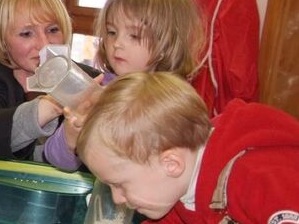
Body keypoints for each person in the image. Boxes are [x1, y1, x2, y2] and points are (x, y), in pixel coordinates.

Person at [77, 72, 299, 222]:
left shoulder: (255, 177)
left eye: (120, 185)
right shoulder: (179, 188)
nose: (117, 199)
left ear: (171, 164)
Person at [44, 0, 205, 171]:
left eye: (134, 35)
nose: (117, 43)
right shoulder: (101, 91)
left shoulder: (175, 102)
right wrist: (72, 135)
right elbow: (56, 160)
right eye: (112, 32)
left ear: (168, 43)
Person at [0, 0, 100, 161]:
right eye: (26, 34)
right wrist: (50, 106)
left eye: (53, 30)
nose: (44, 43)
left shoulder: (90, 80)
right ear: (2, 40)